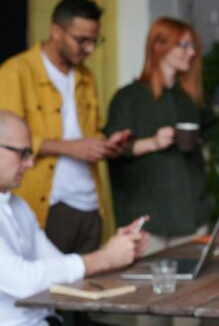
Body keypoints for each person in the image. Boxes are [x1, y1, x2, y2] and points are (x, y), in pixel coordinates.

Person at [0, 0, 130, 254]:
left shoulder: (86, 77)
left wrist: (105, 145)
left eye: (95, 40)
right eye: (82, 40)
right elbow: (7, 141)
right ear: (56, 31)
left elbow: (89, 131)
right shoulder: (16, 72)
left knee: (91, 286)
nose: (90, 49)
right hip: (47, 205)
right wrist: (70, 148)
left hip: (91, 204)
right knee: (49, 289)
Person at [0, 110, 148, 326]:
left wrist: (118, 250)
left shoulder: (18, 206)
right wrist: (104, 258)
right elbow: (23, 281)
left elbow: (58, 265)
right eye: (22, 153)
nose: (31, 163)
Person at [104, 17, 210, 255]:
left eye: (193, 46)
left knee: (197, 289)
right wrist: (153, 142)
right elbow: (112, 149)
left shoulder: (190, 98)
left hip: (192, 215)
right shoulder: (128, 97)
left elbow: (205, 136)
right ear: (158, 46)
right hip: (149, 222)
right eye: (183, 45)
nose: (191, 52)